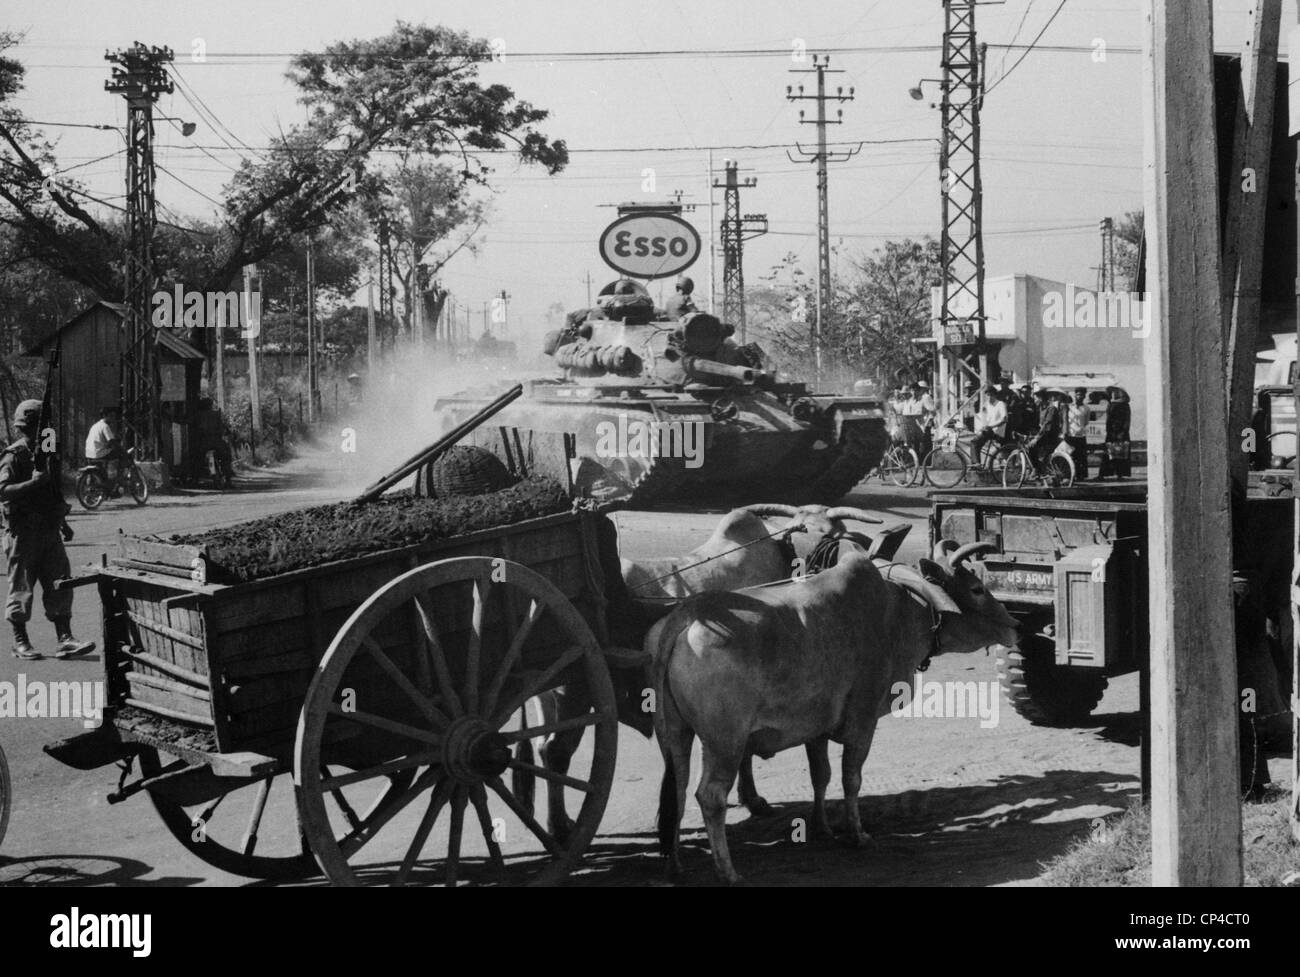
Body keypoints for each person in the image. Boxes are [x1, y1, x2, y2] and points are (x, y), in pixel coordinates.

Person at [1, 400, 94, 660]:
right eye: (41, 425)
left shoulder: (47, 449)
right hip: (22, 533)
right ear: (27, 427)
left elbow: (51, 490)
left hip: (48, 530)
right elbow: (2, 491)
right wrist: (31, 483)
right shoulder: (14, 454)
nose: (46, 430)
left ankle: (65, 638)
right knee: (21, 586)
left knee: (60, 582)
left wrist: (63, 522)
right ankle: (20, 641)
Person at [84, 405, 127, 488]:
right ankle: (119, 479)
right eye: (111, 416)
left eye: (113, 416)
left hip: (89, 453)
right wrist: (121, 449)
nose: (113, 418)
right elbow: (111, 441)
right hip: (99, 453)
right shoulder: (105, 426)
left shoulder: (95, 425)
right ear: (104, 416)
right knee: (122, 455)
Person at [1025, 388, 1065, 474]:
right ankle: (1039, 467)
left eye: (1036, 398)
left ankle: (1036, 469)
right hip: (1044, 435)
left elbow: (1047, 426)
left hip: (1050, 437)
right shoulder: (1040, 409)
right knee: (1031, 445)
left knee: (1031, 447)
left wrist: (1036, 438)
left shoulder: (1051, 409)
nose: (1035, 400)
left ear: (1041, 398)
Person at [193, 398, 233, 482]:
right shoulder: (216, 415)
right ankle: (228, 479)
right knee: (226, 457)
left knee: (197, 458)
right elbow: (222, 427)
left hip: (204, 444)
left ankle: (195, 478)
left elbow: (196, 428)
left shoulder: (198, 415)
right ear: (210, 405)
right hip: (217, 443)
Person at [970, 387, 1008, 466]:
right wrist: (982, 427)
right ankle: (977, 463)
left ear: (995, 395)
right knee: (977, 443)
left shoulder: (1000, 404)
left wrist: (991, 426)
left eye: (991, 395)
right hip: (988, 430)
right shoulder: (986, 404)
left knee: (974, 442)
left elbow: (1004, 419)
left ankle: (976, 463)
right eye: (988, 395)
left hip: (996, 431)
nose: (989, 397)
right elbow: (984, 417)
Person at [1102, 386, 1132, 479]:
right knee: (1115, 452)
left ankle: (1108, 474)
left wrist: (1122, 431)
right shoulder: (1118, 405)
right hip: (1116, 432)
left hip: (1117, 432)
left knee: (1115, 452)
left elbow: (1126, 420)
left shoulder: (1119, 405)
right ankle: (1119, 474)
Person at [1065, 386, 1091, 480]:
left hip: (1081, 435)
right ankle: (1069, 476)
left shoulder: (1086, 408)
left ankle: (1080, 476)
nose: (1079, 396)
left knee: (1081, 457)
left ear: (1084, 396)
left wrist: (1080, 429)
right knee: (1070, 455)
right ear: (1075, 395)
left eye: (1082, 395)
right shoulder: (1069, 407)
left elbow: (1086, 422)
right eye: (1078, 394)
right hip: (1070, 435)